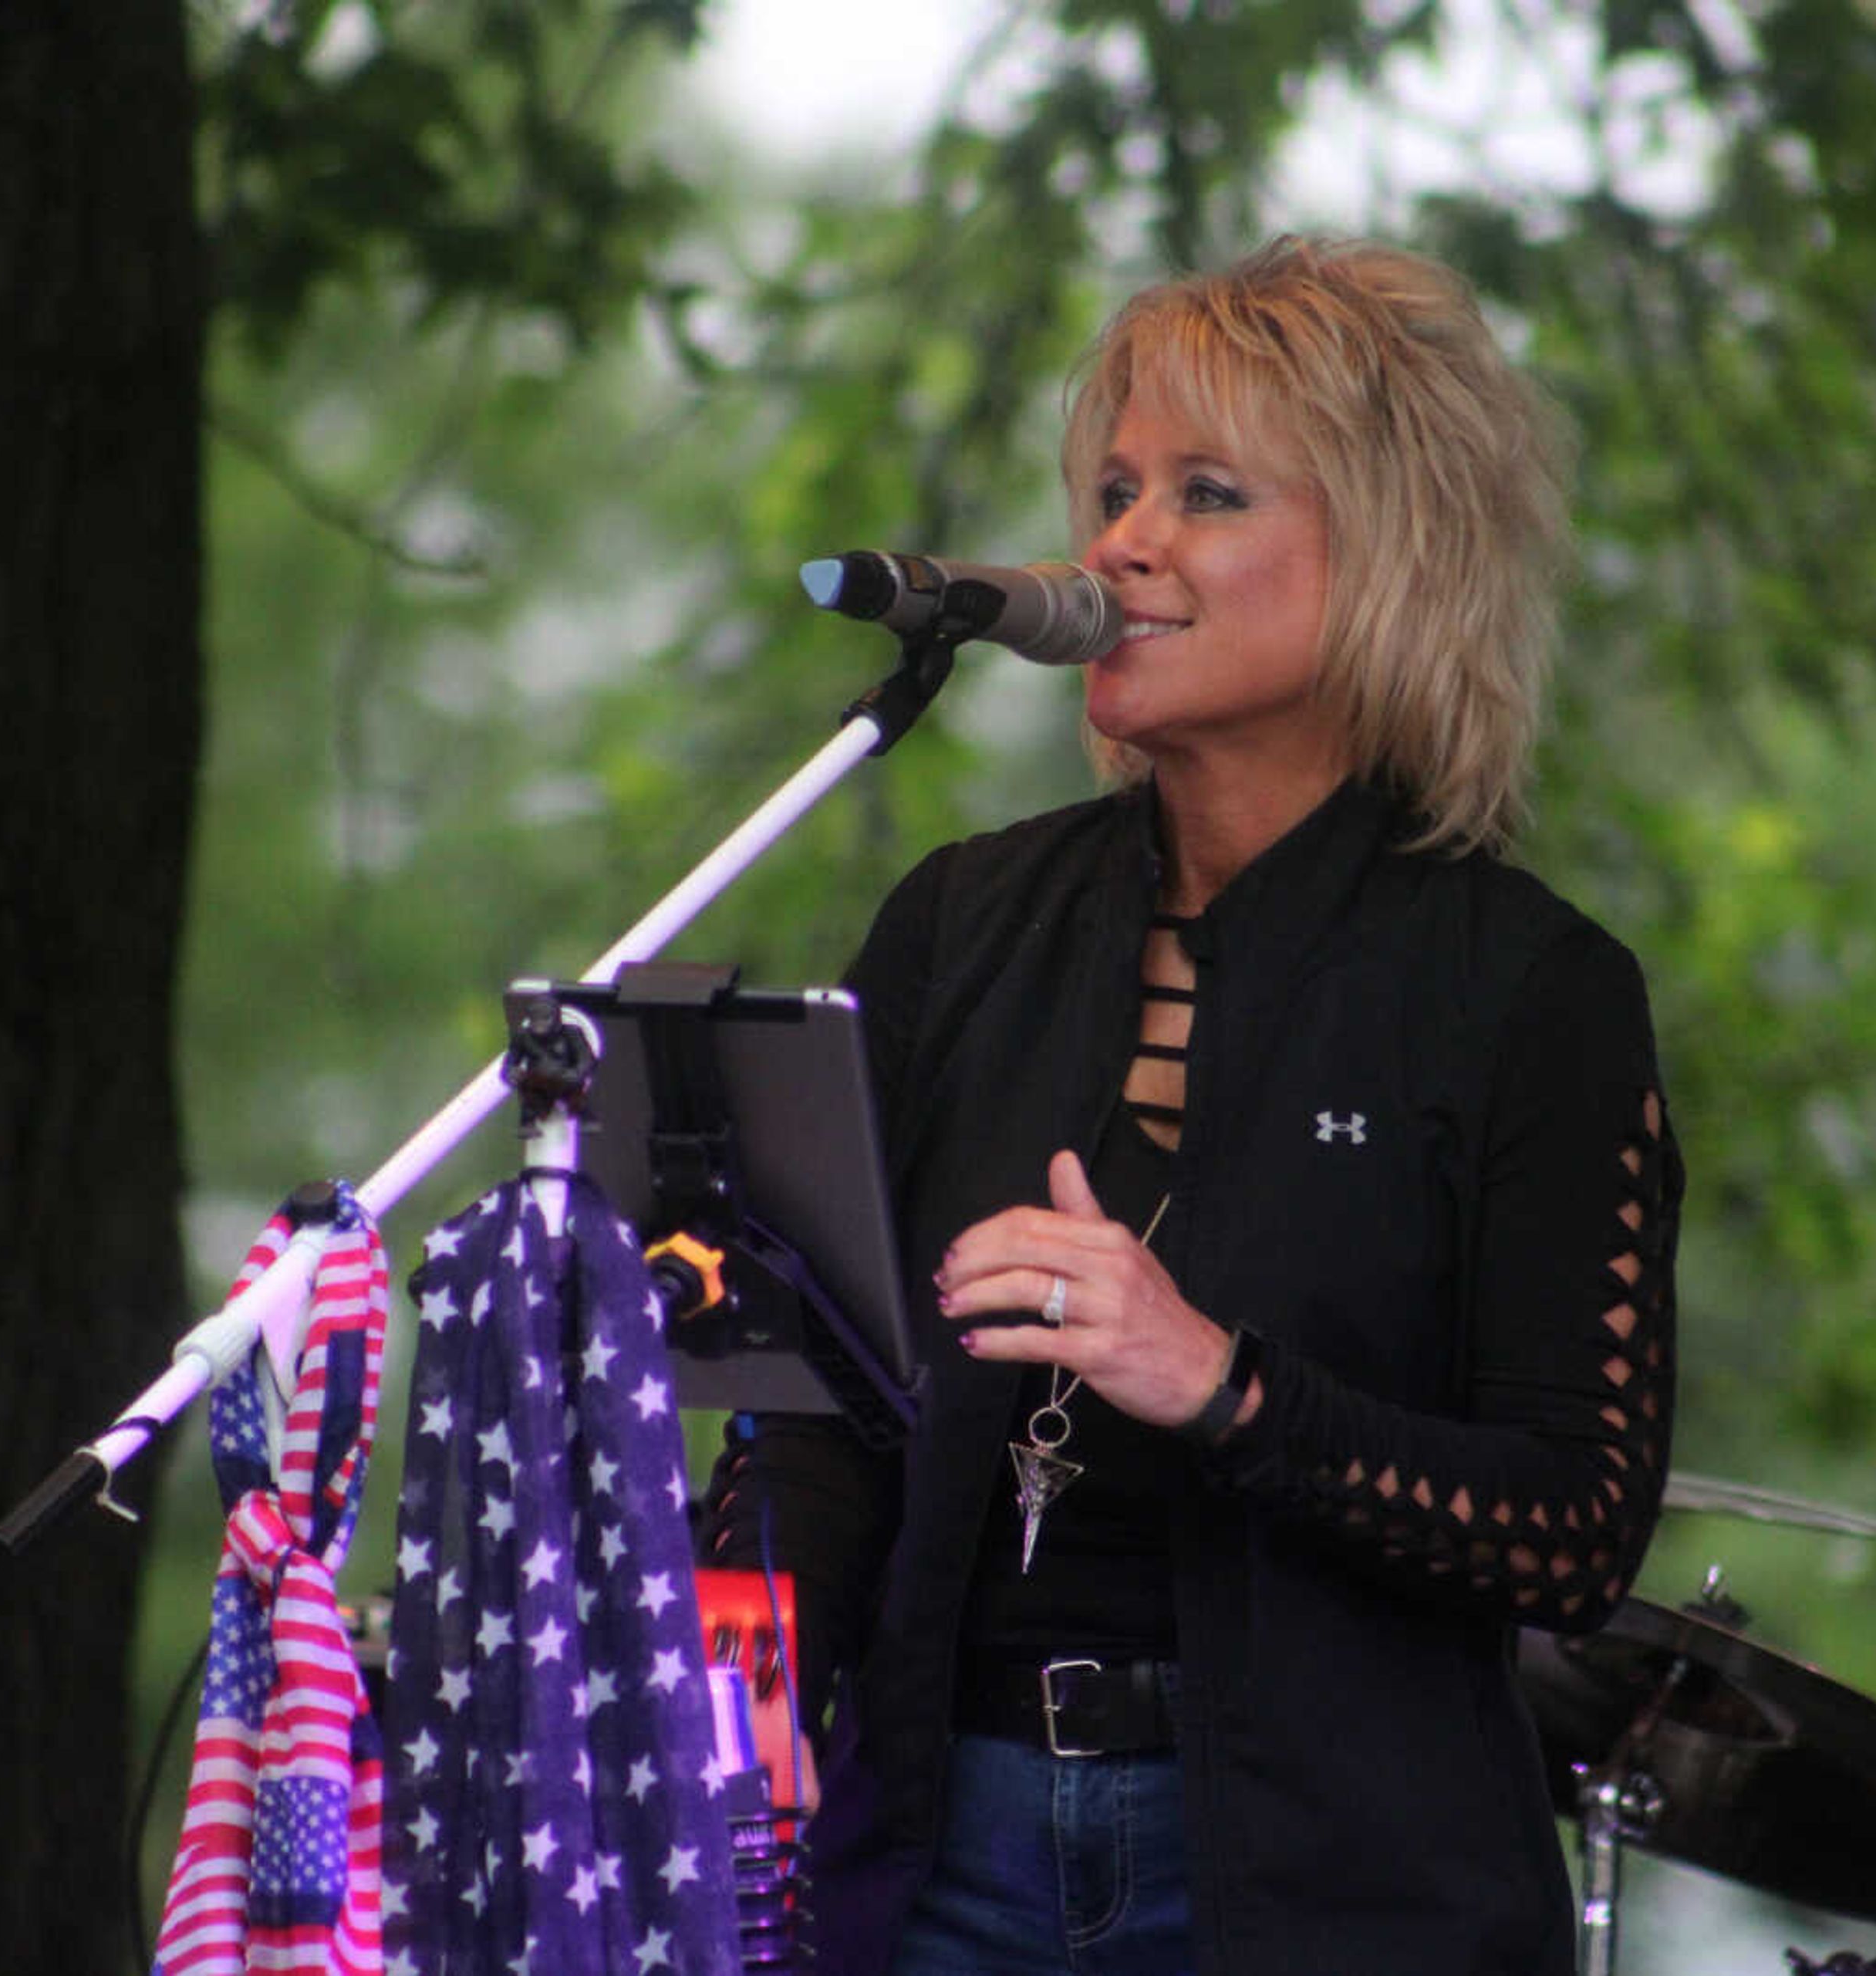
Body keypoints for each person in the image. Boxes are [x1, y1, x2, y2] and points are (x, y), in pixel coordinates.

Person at [702, 234, 1682, 1976]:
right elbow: (814, 1420)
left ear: (1391, 553)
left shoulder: (1530, 991)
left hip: (1335, 1896)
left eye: (1207, 493)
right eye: (1113, 489)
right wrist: (723, 1736)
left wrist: (1225, 1389)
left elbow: (1575, 1529)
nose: (1121, 542)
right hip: (942, 1863)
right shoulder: (961, 922)